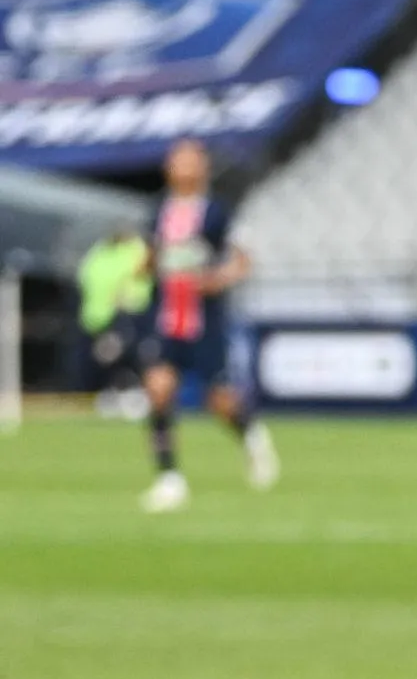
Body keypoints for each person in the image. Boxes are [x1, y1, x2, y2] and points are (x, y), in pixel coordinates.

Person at [135, 139, 278, 512]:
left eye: (188, 159)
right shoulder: (158, 212)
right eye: (175, 159)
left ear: (203, 167)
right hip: (165, 317)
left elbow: (242, 261)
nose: (180, 166)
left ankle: (250, 434)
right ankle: (169, 478)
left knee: (219, 400)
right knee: (159, 390)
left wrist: (218, 278)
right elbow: (149, 260)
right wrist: (144, 267)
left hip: (204, 321)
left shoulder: (218, 213)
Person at [74, 225, 152, 400]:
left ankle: (128, 392)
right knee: (97, 360)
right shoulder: (100, 250)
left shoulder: (137, 249)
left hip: (123, 316)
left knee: (120, 356)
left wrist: (127, 300)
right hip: (94, 319)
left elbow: (141, 278)